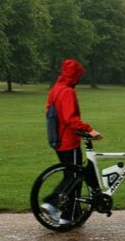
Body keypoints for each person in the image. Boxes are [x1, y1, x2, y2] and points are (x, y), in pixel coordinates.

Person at [42, 59, 102, 224]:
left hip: (57, 140)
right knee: (74, 177)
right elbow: (70, 119)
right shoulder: (67, 92)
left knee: (72, 175)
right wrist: (89, 129)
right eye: (78, 76)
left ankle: (74, 213)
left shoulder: (55, 89)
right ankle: (54, 205)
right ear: (74, 76)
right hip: (69, 141)